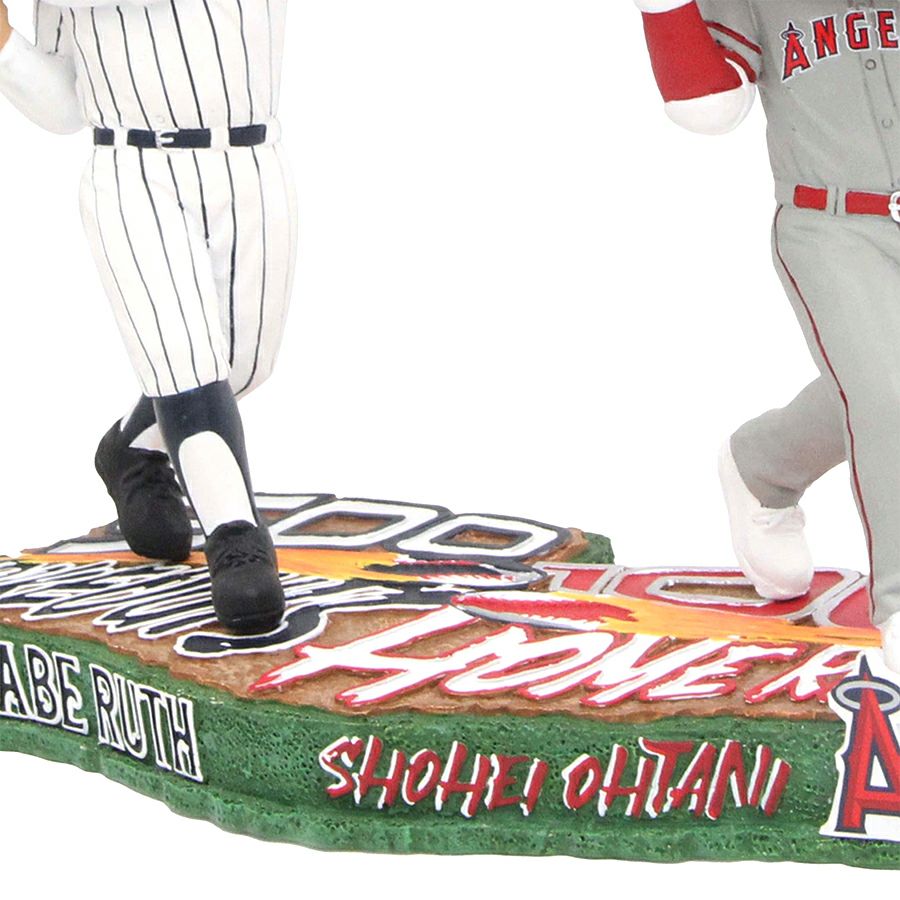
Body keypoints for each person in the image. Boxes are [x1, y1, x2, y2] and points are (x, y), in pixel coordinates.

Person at [0, 0, 296, 634]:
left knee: (242, 366)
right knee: (186, 365)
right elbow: (66, 106)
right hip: (133, 169)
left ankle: (132, 447)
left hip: (251, 160)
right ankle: (236, 538)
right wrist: (4, 46)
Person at [633, 0, 900, 669]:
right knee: (888, 395)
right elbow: (709, 107)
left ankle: (764, 465)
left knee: (875, 382)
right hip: (833, 225)